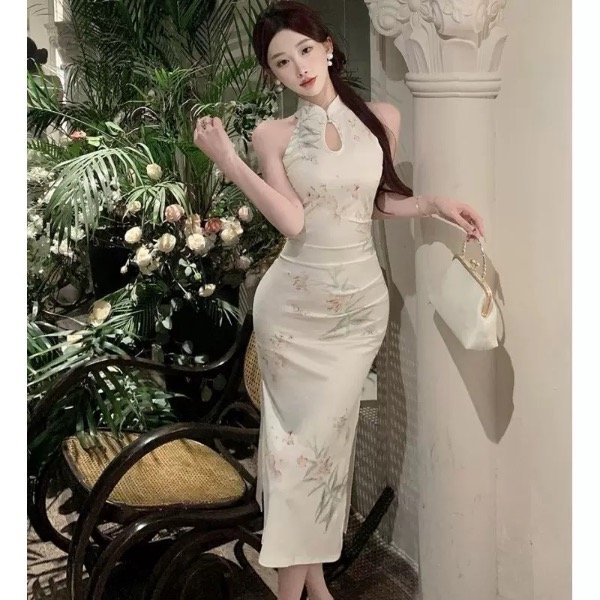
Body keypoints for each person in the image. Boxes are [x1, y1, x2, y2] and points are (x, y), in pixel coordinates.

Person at [193, 3, 485, 598]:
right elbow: (293, 222)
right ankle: (306, 589)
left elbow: (375, 202)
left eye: (304, 50)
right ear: (272, 74)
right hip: (293, 311)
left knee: (326, 445)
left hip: (357, 309)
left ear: (327, 47)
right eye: (281, 62)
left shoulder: (382, 117)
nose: (298, 67)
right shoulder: (271, 135)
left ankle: (304, 584)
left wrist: (434, 205)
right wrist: (230, 163)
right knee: (297, 449)